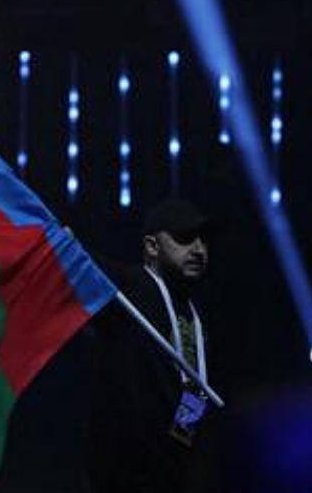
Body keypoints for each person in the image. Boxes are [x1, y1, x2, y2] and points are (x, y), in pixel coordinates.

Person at [86, 198, 216, 493]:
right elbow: (85, 266)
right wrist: (64, 244)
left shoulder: (195, 314)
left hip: (169, 475)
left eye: (203, 240)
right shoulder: (132, 288)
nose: (199, 249)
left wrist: (180, 447)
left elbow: (194, 391)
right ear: (152, 246)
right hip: (123, 476)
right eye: (184, 238)